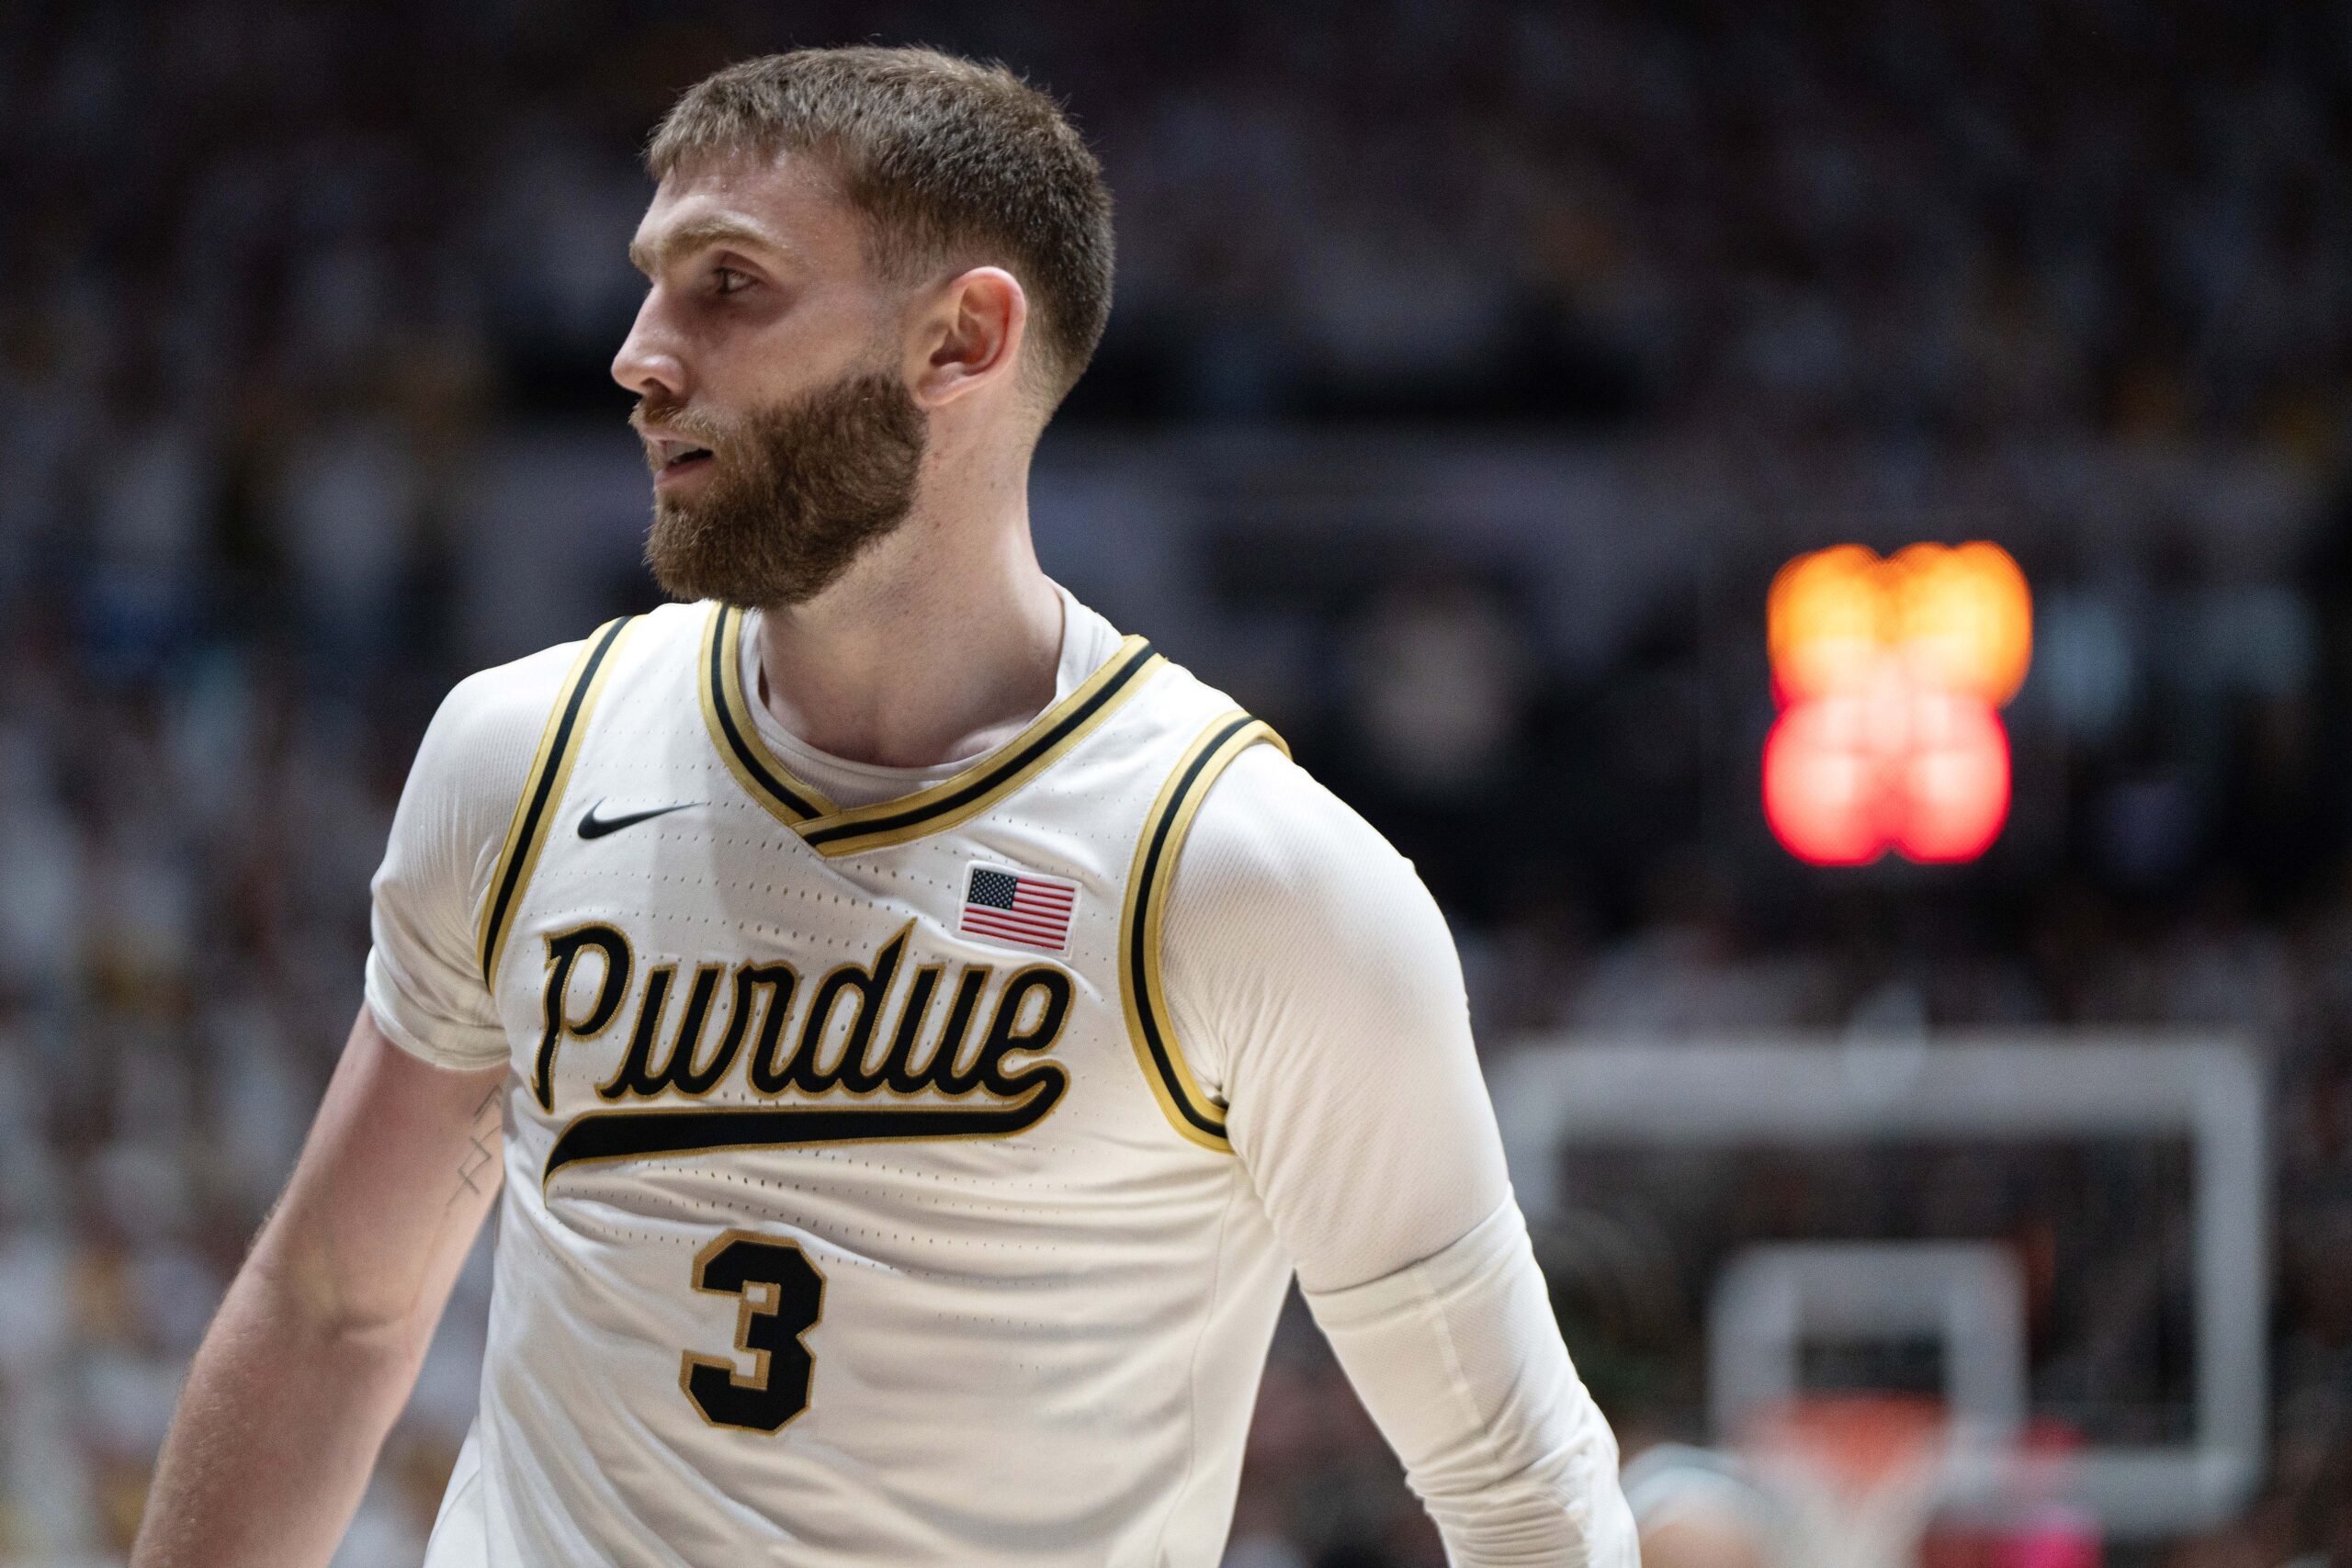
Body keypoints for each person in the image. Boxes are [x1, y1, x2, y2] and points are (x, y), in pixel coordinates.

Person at [131, 47, 1634, 1567]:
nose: (640, 354)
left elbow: (1518, 1486)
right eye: (651, 283)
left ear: (961, 341)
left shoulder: (1248, 873)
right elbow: (331, 1305)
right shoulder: (523, 755)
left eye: (728, 284)